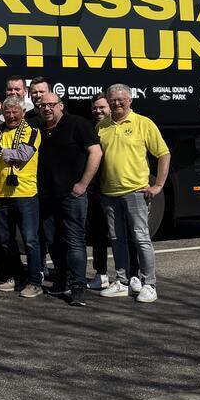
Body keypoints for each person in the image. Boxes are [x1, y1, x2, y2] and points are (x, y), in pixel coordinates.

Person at [98, 84, 170, 303]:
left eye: (121, 99)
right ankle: (122, 281)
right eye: (112, 100)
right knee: (116, 239)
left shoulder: (143, 123)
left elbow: (163, 153)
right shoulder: (102, 125)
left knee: (140, 238)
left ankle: (149, 284)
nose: (116, 103)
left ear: (130, 100)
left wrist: (158, 185)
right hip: (109, 193)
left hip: (135, 192)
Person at [36, 92, 102, 307]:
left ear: (61, 105)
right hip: (47, 196)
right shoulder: (41, 129)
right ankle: (61, 281)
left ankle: (77, 288)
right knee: (53, 241)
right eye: (43, 105)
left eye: (51, 105)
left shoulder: (77, 124)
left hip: (72, 196)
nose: (47, 108)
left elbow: (96, 153)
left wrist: (83, 184)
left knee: (74, 241)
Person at [0, 96, 44, 298]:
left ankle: (35, 282)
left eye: (15, 112)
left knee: (30, 240)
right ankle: (16, 276)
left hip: (25, 193)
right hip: (1, 192)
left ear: (23, 113)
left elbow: (22, 155)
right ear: (2, 113)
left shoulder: (32, 131)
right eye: (7, 112)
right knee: (5, 241)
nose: (11, 115)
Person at [87, 94, 113, 290]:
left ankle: (129, 274)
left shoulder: (115, 126)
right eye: (95, 108)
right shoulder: (93, 128)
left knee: (122, 235)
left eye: (102, 107)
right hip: (97, 190)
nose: (98, 111)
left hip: (116, 188)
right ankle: (101, 273)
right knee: (99, 234)